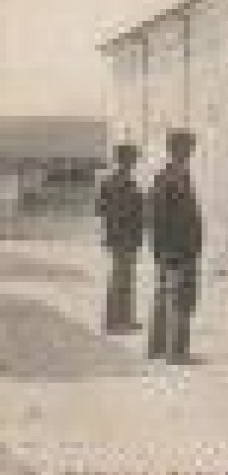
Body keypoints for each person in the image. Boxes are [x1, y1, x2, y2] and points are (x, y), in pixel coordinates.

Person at [147, 130, 204, 365]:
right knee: (180, 297)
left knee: (166, 295)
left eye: (190, 150)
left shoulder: (176, 176)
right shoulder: (170, 179)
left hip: (177, 247)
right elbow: (157, 216)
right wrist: (163, 248)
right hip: (177, 248)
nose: (189, 153)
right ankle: (176, 352)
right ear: (177, 151)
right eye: (186, 149)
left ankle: (158, 347)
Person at [95, 143, 145, 334]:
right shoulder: (114, 183)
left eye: (133, 161)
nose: (132, 164)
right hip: (120, 236)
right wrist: (116, 219)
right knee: (119, 278)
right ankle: (113, 322)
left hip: (128, 235)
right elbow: (101, 208)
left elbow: (100, 208)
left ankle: (125, 318)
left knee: (127, 278)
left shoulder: (127, 182)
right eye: (130, 160)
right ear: (122, 161)